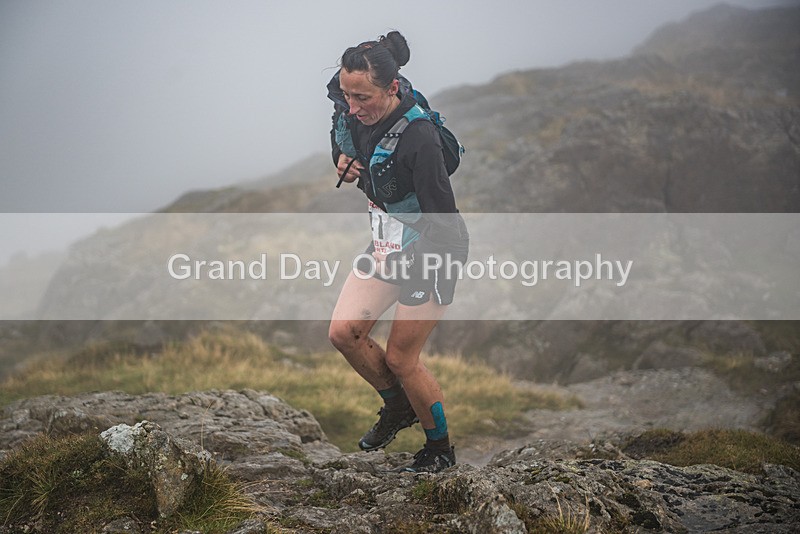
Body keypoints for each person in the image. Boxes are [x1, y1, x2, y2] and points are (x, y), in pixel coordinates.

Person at [327, 31, 468, 473]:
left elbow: (444, 224)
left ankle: (440, 450)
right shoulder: (352, 106)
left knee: (401, 358)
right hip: (388, 241)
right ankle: (398, 408)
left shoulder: (419, 138)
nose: (352, 106)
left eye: (362, 97)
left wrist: (412, 262)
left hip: (434, 252)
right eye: (347, 94)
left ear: (391, 88)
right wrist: (341, 159)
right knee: (343, 333)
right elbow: (346, 135)